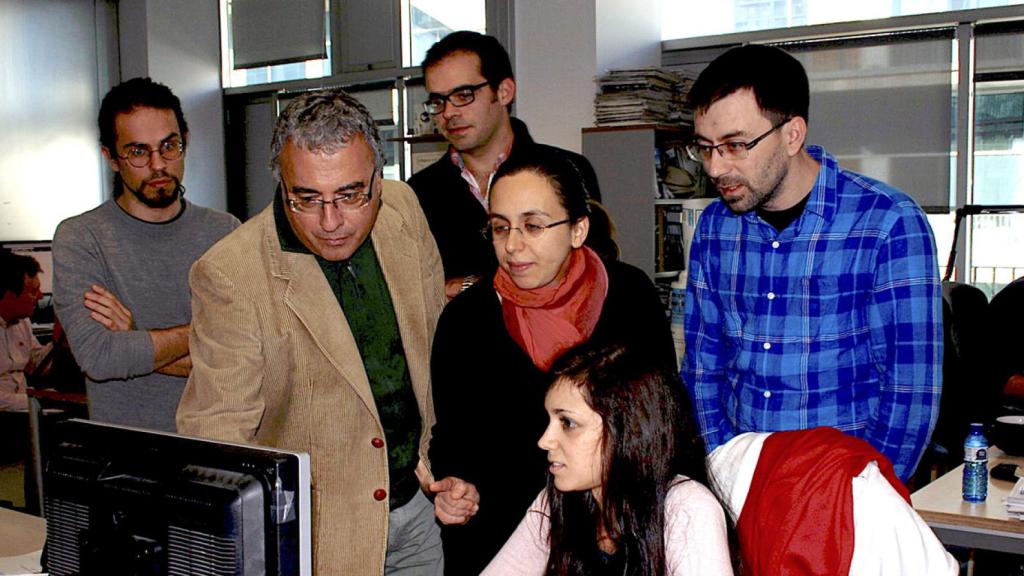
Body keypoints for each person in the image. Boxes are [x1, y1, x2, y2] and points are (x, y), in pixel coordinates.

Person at [176, 88, 446, 575]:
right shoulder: (231, 275)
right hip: (321, 538)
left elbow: (436, 351)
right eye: (307, 198)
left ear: (379, 180)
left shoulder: (403, 210)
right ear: (282, 185)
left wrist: (446, 460)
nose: (331, 222)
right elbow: (215, 441)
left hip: (420, 511)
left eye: (350, 195)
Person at [681, 44, 942, 482]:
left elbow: (910, 392)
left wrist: (864, 500)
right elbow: (703, 370)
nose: (716, 167)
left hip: (847, 496)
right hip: (742, 487)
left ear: (791, 134)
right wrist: (724, 472)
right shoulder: (714, 228)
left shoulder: (886, 222)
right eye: (704, 148)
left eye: (735, 145)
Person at [428, 148, 675, 575]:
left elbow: (661, 420)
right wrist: (453, 486)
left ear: (578, 229)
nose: (513, 246)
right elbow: (451, 438)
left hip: (612, 537)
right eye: (500, 228)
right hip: (500, 538)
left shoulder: (629, 297)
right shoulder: (467, 318)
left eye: (533, 226)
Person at [52, 77, 239, 432]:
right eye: (138, 151)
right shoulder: (82, 238)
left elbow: (247, 358)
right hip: (128, 459)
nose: (158, 165)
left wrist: (138, 336)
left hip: (218, 451)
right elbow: (101, 357)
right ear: (110, 157)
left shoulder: (225, 233)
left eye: (169, 146)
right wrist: (206, 330)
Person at [482, 344, 733, 576]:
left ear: (627, 431)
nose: (545, 440)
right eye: (549, 420)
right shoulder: (555, 501)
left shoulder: (686, 507)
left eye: (568, 423)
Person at [408, 30, 602, 299]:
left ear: (504, 91)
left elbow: (592, 275)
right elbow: (413, 291)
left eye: (464, 95)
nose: (449, 112)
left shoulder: (566, 170)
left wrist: (469, 287)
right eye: (438, 101)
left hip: (556, 337)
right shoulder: (419, 192)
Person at [0, 251, 51, 412]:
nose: (40, 296)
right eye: (33, 291)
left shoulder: (23, 322)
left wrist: (60, 341)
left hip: (25, 411)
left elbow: (35, 364)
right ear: (9, 295)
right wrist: (34, 400)